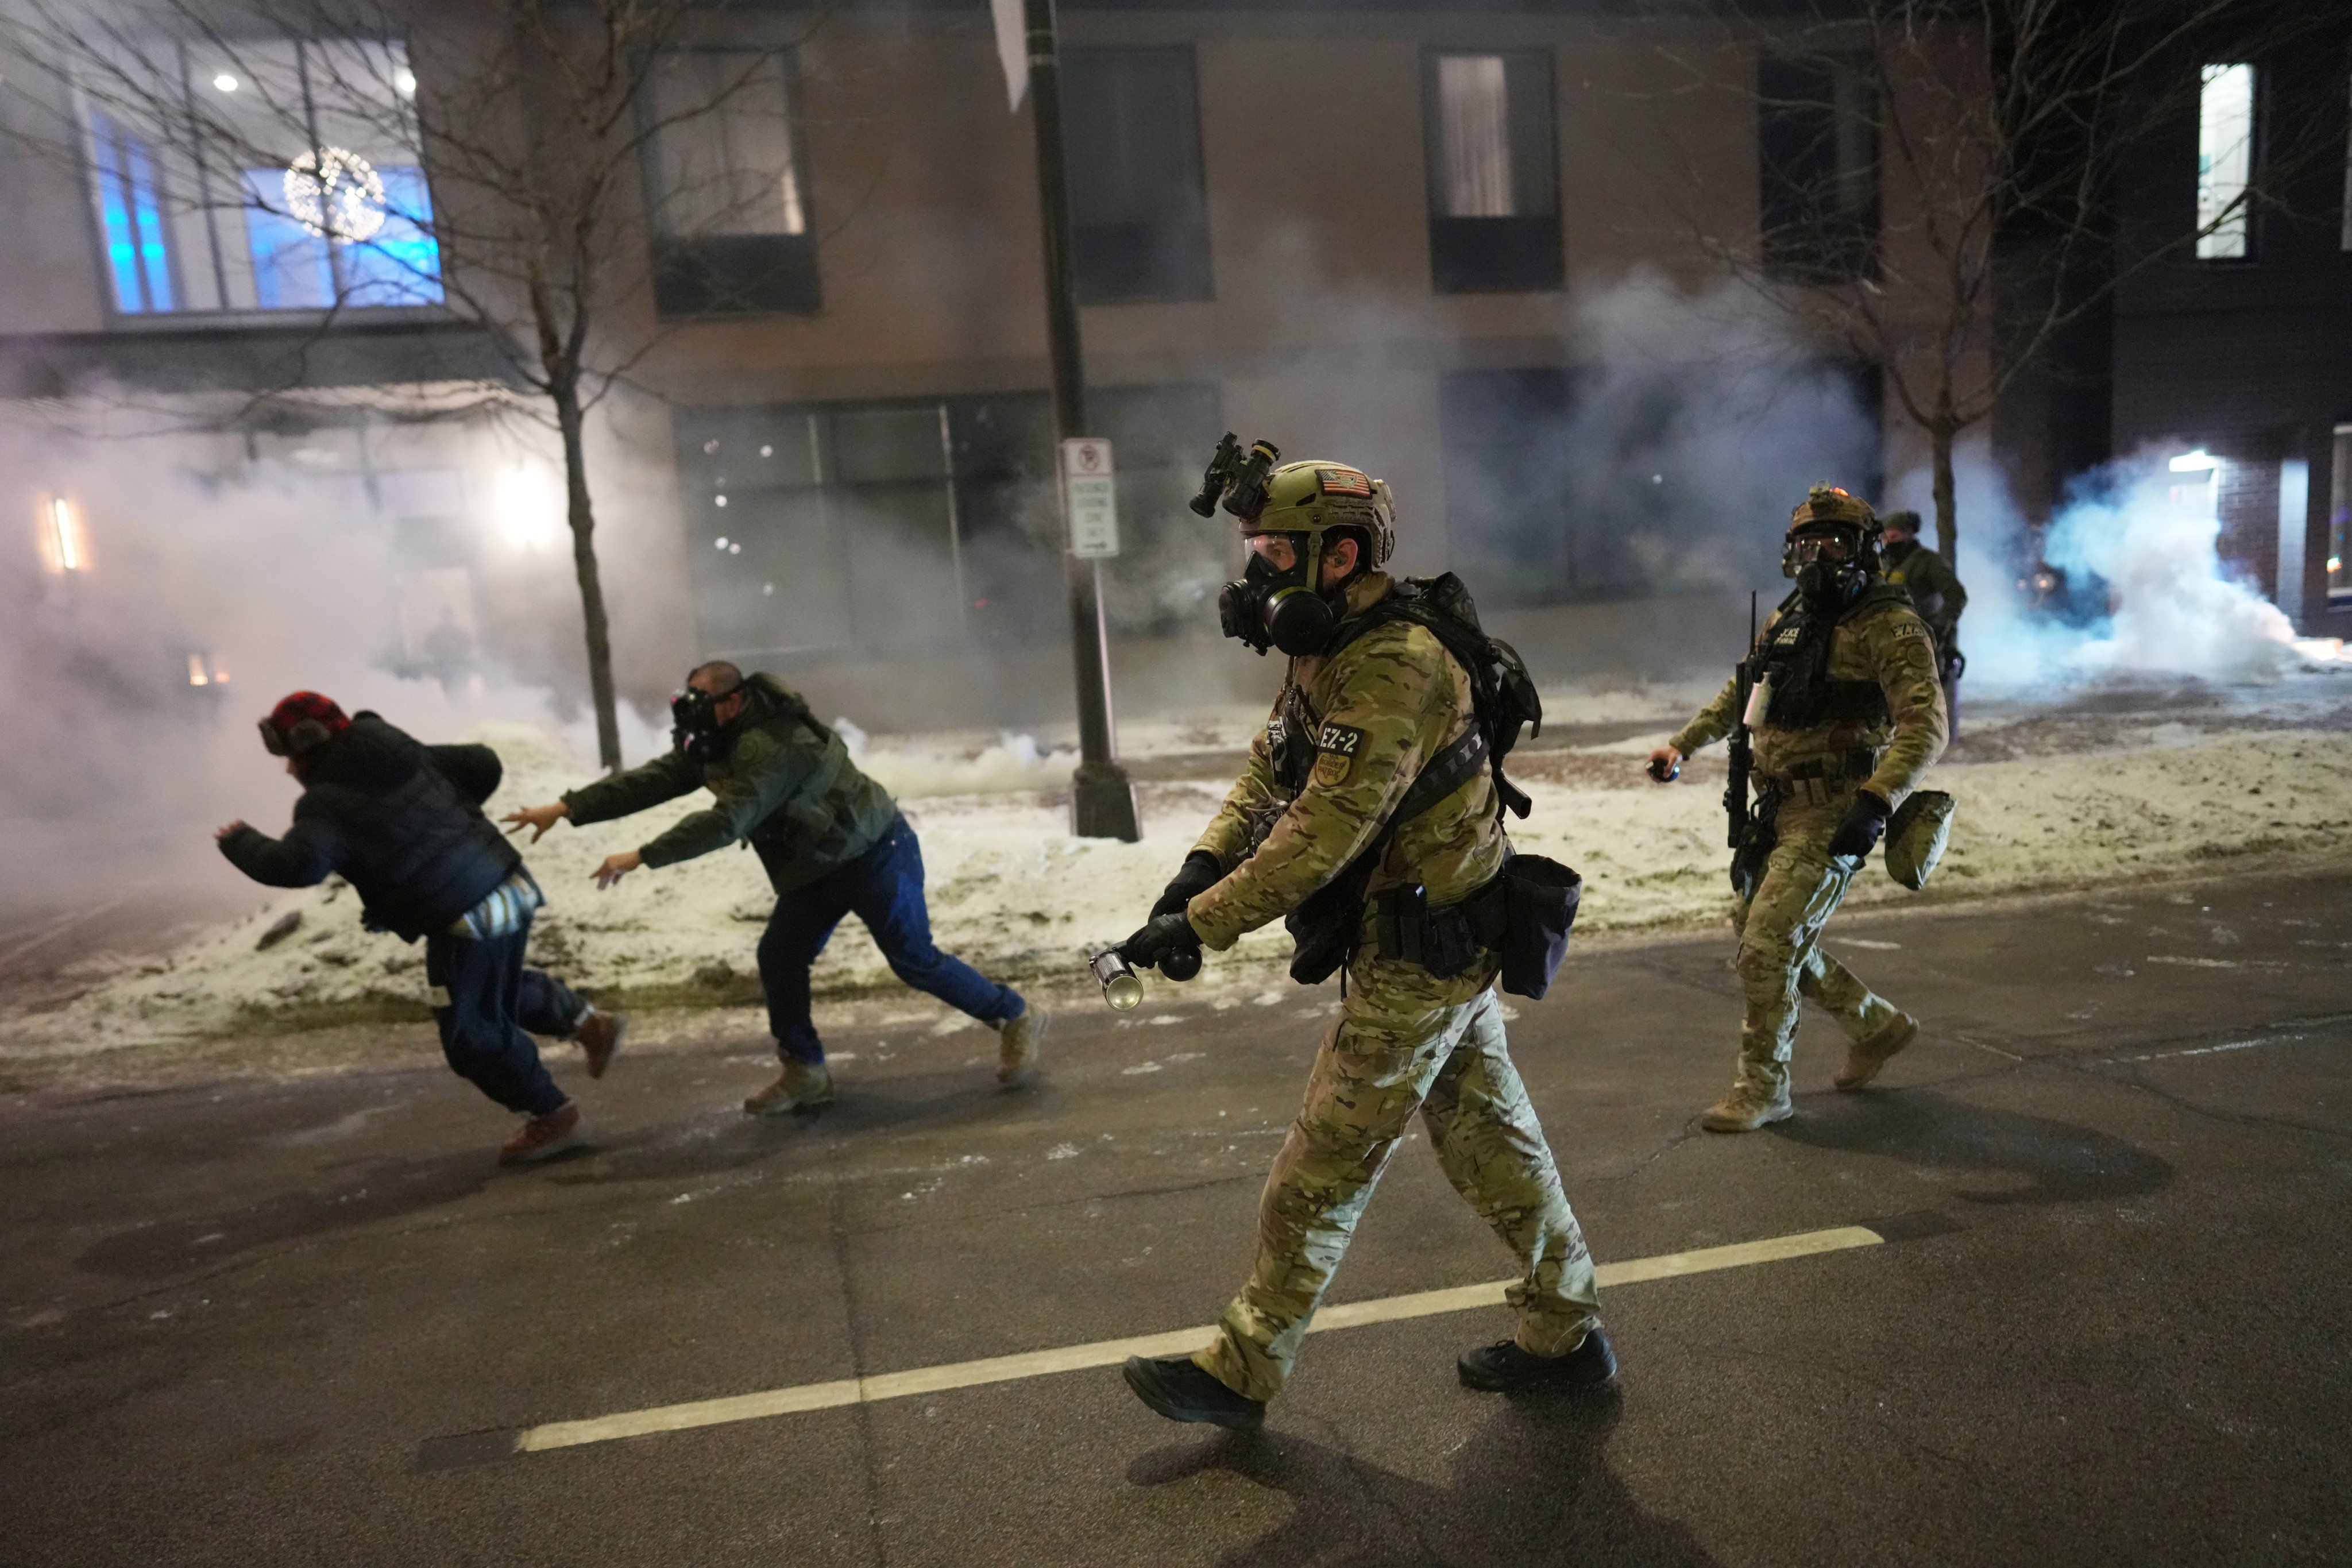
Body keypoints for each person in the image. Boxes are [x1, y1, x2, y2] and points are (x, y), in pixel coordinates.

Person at [1116, 451, 1609, 1432]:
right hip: (1427, 941)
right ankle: (1567, 1328)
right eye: (1252, 551)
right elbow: (1272, 775)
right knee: (1490, 1147)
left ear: (1337, 557)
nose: (1254, 575)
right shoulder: (1327, 645)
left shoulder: (1396, 665)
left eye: (1272, 552)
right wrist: (1198, 869)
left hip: (1421, 953)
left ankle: (1243, 1368)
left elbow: (1321, 833)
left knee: (1317, 1173)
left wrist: (1202, 927)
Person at [504, 662, 1045, 1113]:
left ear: (734, 702)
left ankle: (1015, 1014)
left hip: (876, 853)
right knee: (780, 958)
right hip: (814, 869)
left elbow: (727, 821)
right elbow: (653, 781)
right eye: (686, 699)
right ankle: (806, 1071)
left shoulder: (770, 745)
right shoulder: (716, 741)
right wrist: (567, 808)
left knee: (914, 960)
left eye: (702, 699)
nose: (691, 711)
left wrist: (643, 856)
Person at [1646, 486, 1948, 1133]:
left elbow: (1925, 726)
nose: (1818, 558)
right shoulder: (1790, 617)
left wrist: (1877, 800)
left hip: (1835, 810)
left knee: (1767, 944)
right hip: (1776, 809)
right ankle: (1876, 1025)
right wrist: (1683, 745)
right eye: (1808, 545)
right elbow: (1744, 690)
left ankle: (1763, 1088)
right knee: (1759, 929)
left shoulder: (1888, 625)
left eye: (1834, 543)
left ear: (1862, 551)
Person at [216, 692, 624, 1165]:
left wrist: (240, 842)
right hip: (508, 882)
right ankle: (586, 1023)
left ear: (309, 750)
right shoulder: (398, 749)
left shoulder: (324, 805)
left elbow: (299, 865)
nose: (288, 771)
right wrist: (451, 818)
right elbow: (482, 764)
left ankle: (553, 1116)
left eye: (291, 759)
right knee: (490, 988)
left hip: (464, 915)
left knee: (470, 1035)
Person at [1877, 510, 1967, 736]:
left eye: (1895, 537)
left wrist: (1939, 624)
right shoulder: (1882, 564)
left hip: (1919, 644)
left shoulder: (1928, 562)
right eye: (1885, 538)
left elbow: (1956, 594)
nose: (1889, 543)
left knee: (1919, 707)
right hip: (1884, 644)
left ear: (1909, 534)